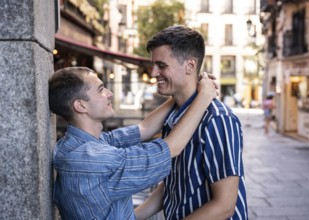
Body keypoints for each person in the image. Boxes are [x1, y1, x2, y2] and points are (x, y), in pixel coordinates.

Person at [48, 66, 218, 219]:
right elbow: (171, 148)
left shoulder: (73, 145)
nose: (109, 93)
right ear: (81, 106)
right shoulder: (93, 159)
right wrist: (204, 96)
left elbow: (143, 128)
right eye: (100, 90)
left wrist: (183, 89)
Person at [135, 25, 248, 220]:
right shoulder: (174, 116)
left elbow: (224, 206)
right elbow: (173, 185)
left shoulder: (218, 119)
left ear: (190, 66)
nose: (153, 73)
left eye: (161, 65)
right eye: (153, 65)